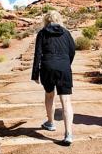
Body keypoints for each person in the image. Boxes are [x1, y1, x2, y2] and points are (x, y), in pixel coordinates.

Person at [31, 10, 75, 145]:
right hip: (64, 67)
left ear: (46, 20)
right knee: (66, 101)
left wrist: (35, 74)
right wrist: (66, 64)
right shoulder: (66, 33)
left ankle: (50, 123)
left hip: (47, 67)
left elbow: (37, 54)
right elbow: (72, 50)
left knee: (49, 95)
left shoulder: (42, 33)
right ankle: (68, 134)